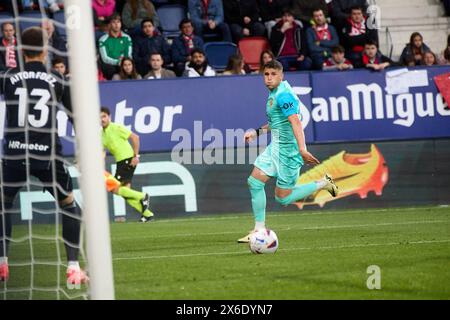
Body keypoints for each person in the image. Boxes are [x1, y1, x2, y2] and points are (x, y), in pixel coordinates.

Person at [0, 27, 87, 284]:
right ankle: (72, 266)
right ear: (46, 49)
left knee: (3, 205)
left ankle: (2, 262)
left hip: (14, 155)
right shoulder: (58, 79)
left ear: (20, 50)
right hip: (48, 156)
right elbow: (77, 117)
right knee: (70, 206)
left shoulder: (7, 76)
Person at [237, 59, 338, 243]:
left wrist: (302, 149)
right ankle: (259, 230)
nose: (269, 78)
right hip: (274, 147)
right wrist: (257, 132)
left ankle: (324, 183)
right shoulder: (275, 93)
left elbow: (295, 121)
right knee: (254, 182)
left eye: (273, 74)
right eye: (266, 74)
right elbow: (277, 122)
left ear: (281, 75)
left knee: (282, 199)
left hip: (288, 152)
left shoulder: (284, 95)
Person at [101, 106, 142, 190]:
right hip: (121, 162)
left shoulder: (116, 127)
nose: (102, 119)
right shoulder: (101, 134)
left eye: (104, 116)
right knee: (125, 189)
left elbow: (135, 138)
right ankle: (140, 200)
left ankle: (141, 198)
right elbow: (102, 152)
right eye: (99, 117)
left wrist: (136, 156)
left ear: (109, 117)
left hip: (128, 160)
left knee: (115, 187)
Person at [98, 14, 133, 80]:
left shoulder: (127, 38)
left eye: (118, 22)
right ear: (109, 25)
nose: (116, 24)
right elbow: (105, 58)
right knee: (109, 68)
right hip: (111, 65)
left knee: (129, 65)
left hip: (124, 63)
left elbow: (128, 54)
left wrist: (123, 62)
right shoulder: (103, 39)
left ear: (121, 24)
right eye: (114, 22)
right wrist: (118, 62)